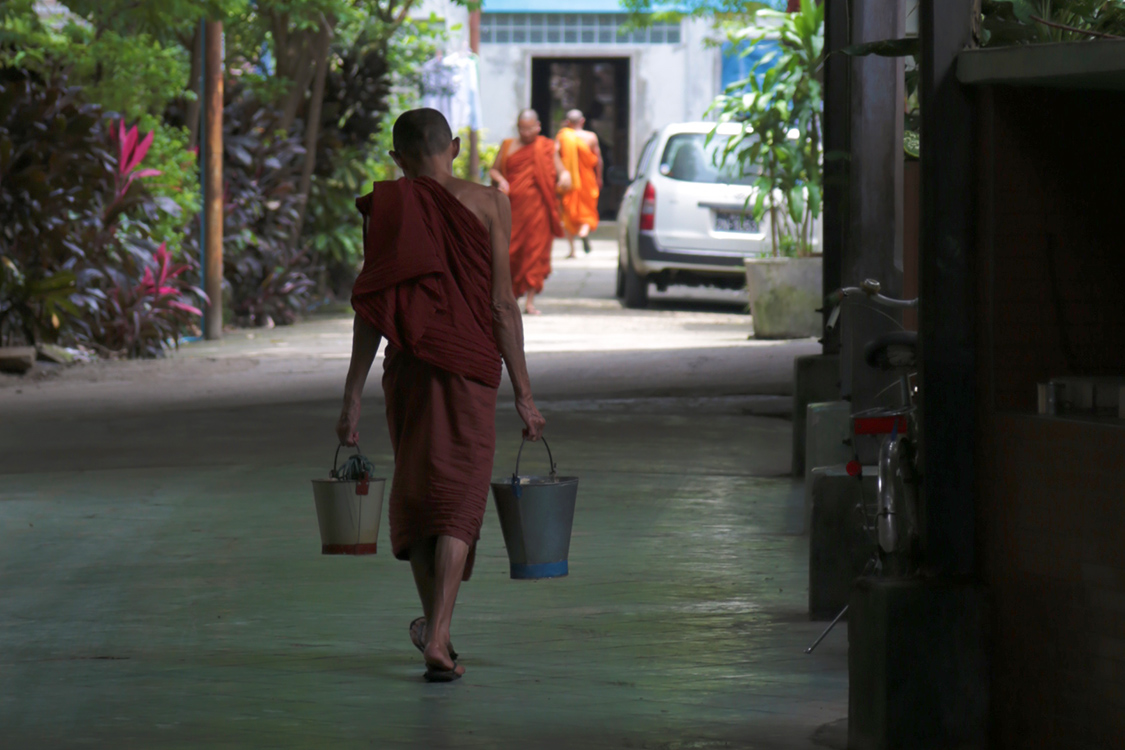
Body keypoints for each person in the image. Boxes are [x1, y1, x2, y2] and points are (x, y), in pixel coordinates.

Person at [337, 108, 546, 683]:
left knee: (420, 497)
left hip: (409, 371)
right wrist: (524, 394)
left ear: (396, 158)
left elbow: (372, 308)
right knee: (459, 500)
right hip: (473, 369)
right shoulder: (490, 204)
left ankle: (437, 631)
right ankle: (439, 634)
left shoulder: (388, 208)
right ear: (453, 148)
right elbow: (503, 306)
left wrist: (352, 394)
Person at [488, 109, 570, 316]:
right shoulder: (508, 145)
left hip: (538, 210)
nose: (526, 133)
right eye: (522, 129)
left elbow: (562, 171)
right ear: (518, 128)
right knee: (510, 253)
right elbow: (494, 169)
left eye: (530, 128)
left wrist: (565, 177)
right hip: (512, 209)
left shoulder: (547, 147)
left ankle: (530, 301)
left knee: (535, 253)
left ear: (538, 126)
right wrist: (501, 180)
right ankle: (511, 297)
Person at [556, 109, 603, 258]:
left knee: (568, 213)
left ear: (567, 122)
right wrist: (599, 178)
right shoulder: (590, 137)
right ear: (582, 121)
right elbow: (598, 159)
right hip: (587, 180)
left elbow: (554, 155)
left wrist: (559, 175)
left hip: (569, 181)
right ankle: (584, 231)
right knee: (587, 210)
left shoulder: (562, 137)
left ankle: (572, 250)